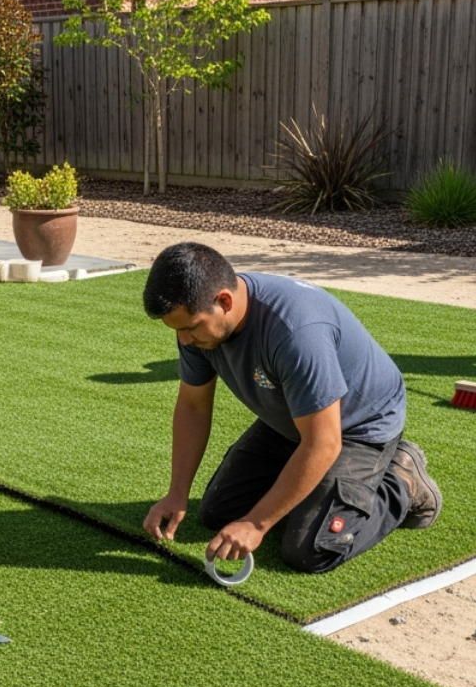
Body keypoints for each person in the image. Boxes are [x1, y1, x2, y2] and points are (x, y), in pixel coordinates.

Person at [140, 242, 441, 575]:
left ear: (224, 301)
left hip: (356, 425)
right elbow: (194, 407)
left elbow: (324, 442)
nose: (184, 340)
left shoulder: (296, 332)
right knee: (218, 514)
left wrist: (256, 524)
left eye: (190, 327)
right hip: (290, 418)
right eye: (177, 329)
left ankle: (402, 478)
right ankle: (304, 482)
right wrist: (176, 493)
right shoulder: (198, 325)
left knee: (310, 549)